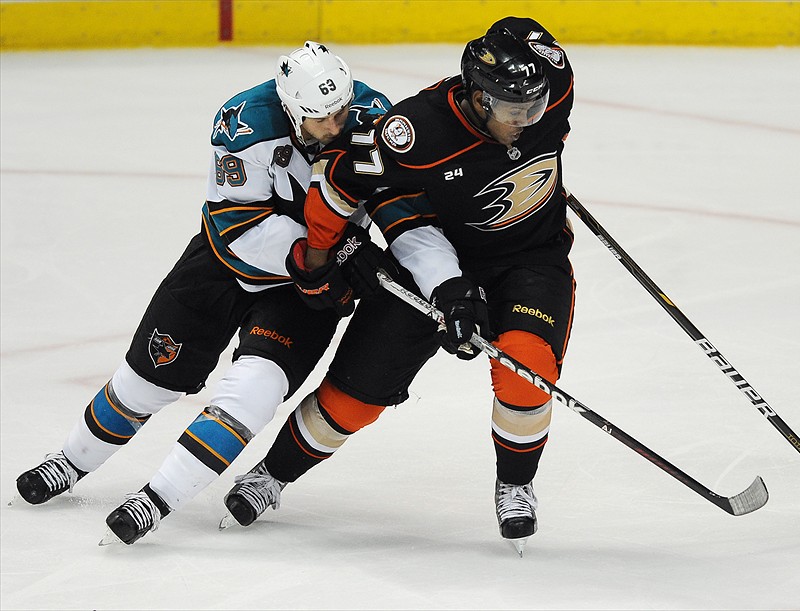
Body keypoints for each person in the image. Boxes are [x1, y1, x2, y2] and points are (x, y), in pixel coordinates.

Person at [14, 41, 390, 545]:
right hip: (223, 268)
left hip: (301, 295)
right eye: (321, 118)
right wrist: (328, 253)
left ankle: (157, 498)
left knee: (255, 390)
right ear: (291, 107)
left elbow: (397, 198)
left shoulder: (374, 117)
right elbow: (240, 226)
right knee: (145, 383)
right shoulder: (245, 124)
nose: (336, 126)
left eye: (341, 111)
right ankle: (70, 459)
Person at [222, 16, 575, 552]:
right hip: (435, 257)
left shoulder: (552, 85)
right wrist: (320, 254)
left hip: (534, 259)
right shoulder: (414, 132)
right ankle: (272, 474)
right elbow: (337, 179)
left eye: (535, 107)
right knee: (353, 397)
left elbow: (525, 42)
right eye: (514, 111)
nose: (528, 122)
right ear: (479, 98)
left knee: (526, 369)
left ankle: (515, 484)